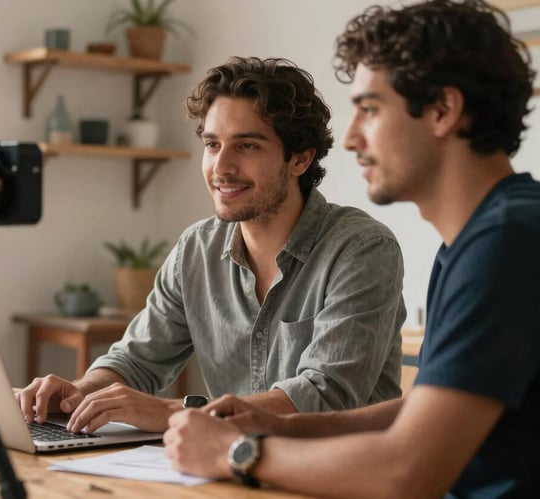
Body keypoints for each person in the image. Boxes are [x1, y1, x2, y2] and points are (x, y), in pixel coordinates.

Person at [164, 1, 540, 497]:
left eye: (369, 109)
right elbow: (423, 409)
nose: (349, 138)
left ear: (443, 111)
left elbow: (407, 471)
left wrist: (235, 452)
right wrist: (272, 424)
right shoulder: (479, 240)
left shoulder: (508, 241)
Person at [17, 56, 406, 434]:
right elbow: (137, 360)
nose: (221, 167)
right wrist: (79, 394)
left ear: (300, 159)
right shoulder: (196, 249)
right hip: (232, 468)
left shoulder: (361, 248)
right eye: (212, 145)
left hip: (337, 476)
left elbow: (327, 395)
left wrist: (174, 412)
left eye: (247, 146)